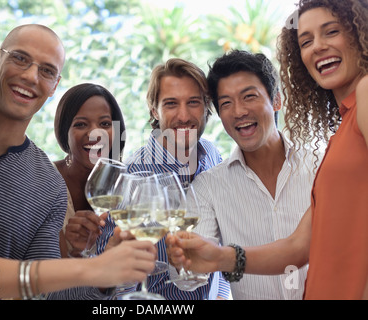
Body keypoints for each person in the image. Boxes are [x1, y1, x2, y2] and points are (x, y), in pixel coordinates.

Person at [0, 0, 155, 299]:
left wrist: (98, 273)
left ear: (55, 85)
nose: (31, 76)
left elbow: (42, 293)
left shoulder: (49, 188)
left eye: (46, 70)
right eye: (19, 58)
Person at [167, 0, 368, 300]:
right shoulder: (337, 141)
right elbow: (299, 247)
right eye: (306, 41)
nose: (318, 47)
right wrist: (218, 257)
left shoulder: (365, 92)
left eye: (331, 32)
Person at [178, 49, 315, 299]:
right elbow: (190, 279)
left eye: (248, 96)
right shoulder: (208, 187)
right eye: (226, 103)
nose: (239, 111)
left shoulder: (320, 167)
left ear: (276, 100)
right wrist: (185, 260)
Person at [116, 58, 231, 300]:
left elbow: (221, 236)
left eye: (193, 102)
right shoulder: (132, 175)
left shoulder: (211, 154)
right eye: (171, 104)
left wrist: (220, 294)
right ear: (154, 110)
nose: (184, 115)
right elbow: (115, 281)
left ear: (206, 106)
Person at [53, 83, 127, 298]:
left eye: (105, 123)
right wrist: (75, 253)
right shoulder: (46, 183)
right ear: (64, 132)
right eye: (81, 124)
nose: (96, 134)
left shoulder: (127, 186)